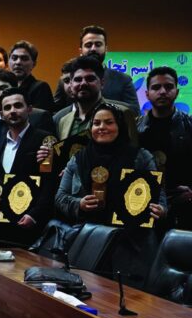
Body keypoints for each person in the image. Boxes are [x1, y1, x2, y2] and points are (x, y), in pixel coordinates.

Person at [54, 103, 165, 284]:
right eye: (96, 123)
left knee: (129, 297)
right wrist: (79, 204)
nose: (102, 127)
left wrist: (160, 210)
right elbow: (60, 197)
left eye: (109, 122)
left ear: (120, 126)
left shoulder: (141, 157)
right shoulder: (78, 159)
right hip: (89, 242)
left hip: (132, 246)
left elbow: (160, 197)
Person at [0, 89, 55, 245]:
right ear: (2, 114)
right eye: (7, 108)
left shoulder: (44, 140)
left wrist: (35, 215)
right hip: (0, 222)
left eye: (18, 105)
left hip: (30, 223)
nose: (13, 111)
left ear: (29, 109)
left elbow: (50, 184)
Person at [138, 66, 192, 230]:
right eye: (156, 87)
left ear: (177, 91)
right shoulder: (135, 129)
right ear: (147, 93)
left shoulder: (189, 126)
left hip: (185, 207)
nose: (162, 91)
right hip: (144, 204)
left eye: (168, 87)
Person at [52, 25, 139, 113]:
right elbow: (55, 111)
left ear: (106, 49)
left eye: (98, 45)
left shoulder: (123, 80)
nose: (93, 49)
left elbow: (134, 112)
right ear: (81, 51)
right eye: (88, 45)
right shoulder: (67, 79)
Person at [8, 40, 54, 112]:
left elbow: (39, 116)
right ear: (8, 61)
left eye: (24, 59)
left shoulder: (40, 88)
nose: (18, 62)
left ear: (34, 64)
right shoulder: (5, 87)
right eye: (14, 58)